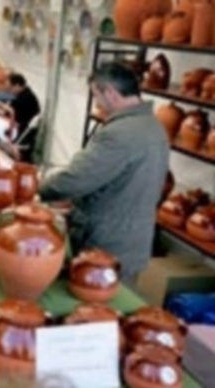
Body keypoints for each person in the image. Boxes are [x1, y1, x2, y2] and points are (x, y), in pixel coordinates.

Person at [39, 62, 170, 287]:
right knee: (114, 305)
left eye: (96, 95)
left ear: (110, 92)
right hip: (133, 239)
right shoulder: (154, 126)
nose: (97, 103)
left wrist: (36, 187)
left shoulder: (119, 134)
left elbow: (76, 179)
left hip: (107, 242)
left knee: (95, 306)